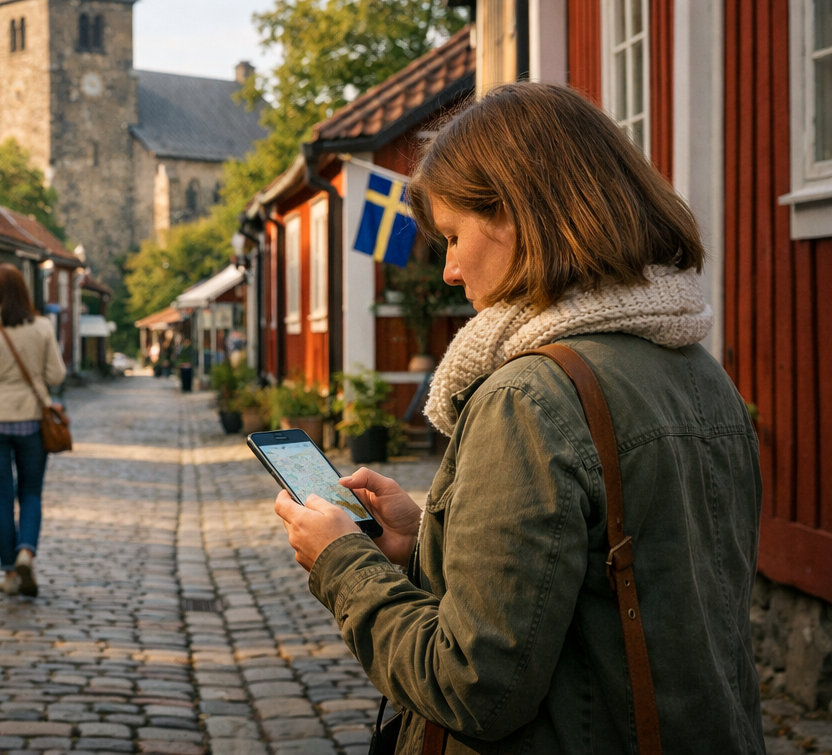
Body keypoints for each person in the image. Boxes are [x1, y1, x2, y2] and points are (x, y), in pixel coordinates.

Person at [273, 83, 762, 754]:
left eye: (453, 236)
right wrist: (427, 543)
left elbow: (471, 687)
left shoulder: (529, 397)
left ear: (517, 215)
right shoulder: (700, 370)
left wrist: (340, 562)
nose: (448, 270)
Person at [0, 264, 67, 597]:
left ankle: (9, 573)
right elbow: (57, 375)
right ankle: (26, 552)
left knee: (2, 497)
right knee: (31, 493)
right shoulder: (42, 327)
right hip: (32, 420)